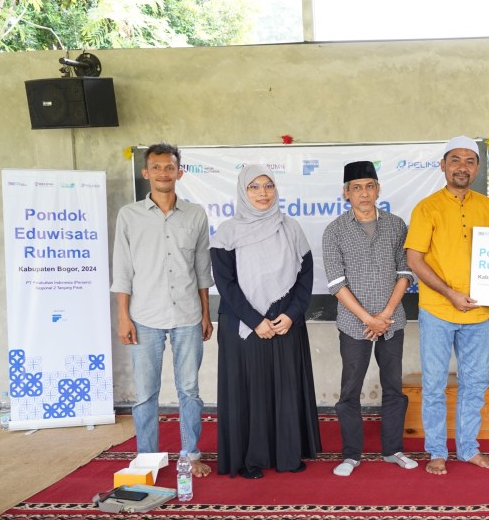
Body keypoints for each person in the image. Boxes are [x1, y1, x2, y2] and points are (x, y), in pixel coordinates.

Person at [211, 164, 321, 479]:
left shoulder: (291, 228)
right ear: (243, 191)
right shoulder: (227, 232)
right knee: (248, 392)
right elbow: (226, 284)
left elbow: (305, 276)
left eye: (268, 186)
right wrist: (255, 320)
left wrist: (292, 314)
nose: (263, 193)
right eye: (254, 187)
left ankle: (287, 454)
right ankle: (249, 460)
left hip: (285, 322)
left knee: (285, 389)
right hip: (243, 326)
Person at [111, 142, 213, 478]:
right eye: (156, 167)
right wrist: (123, 316)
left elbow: (201, 269)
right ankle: (147, 459)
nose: (163, 173)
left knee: (189, 391)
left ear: (179, 172)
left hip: (187, 315)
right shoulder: (129, 216)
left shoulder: (196, 215)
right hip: (144, 317)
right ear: (146, 173)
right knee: (145, 394)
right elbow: (122, 270)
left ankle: (190, 454)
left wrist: (205, 313)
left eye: (170, 167)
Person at [405, 136, 489, 476]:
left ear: (477, 168)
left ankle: (468, 449)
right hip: (437, 310)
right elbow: (414, 260)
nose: (462, 167)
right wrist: (449, 293)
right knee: (434, 385)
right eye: (455, 160)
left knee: (475, 383)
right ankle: (436, 451)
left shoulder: (486, 206)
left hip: (477, 311)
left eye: (469, 161)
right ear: (443, 166)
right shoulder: (427, 207)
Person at [322, 161, 418, 477]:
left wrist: (385, 315)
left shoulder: (396, 225)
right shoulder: (335, 230)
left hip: (392, 322)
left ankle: (393, 450)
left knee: (393, 387)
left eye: (369, 186)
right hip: (354, 325)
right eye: (357, 188)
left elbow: (405, 272)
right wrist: (368, 319)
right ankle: (351, 455)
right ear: (346, 193)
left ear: (378, 189)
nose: (364, 193)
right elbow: (336, 283)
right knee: (350, 390)